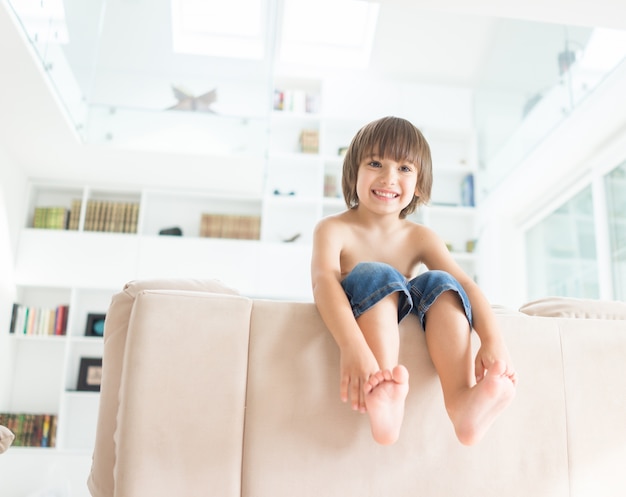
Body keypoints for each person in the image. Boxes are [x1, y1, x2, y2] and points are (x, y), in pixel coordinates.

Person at [311, 116, 517, 446]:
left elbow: (466, 284)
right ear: (354, 173)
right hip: (368, 317)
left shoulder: (421, 237)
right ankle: (384, 392)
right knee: (378, 273)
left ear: (419, 184)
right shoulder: (333, 229)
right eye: (375, 163)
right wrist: (353, 347)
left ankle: (462, 403)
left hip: (410, 307)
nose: (388, 177)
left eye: (404, 168)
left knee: (442, 280)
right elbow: (324, 283)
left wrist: (493, 341)